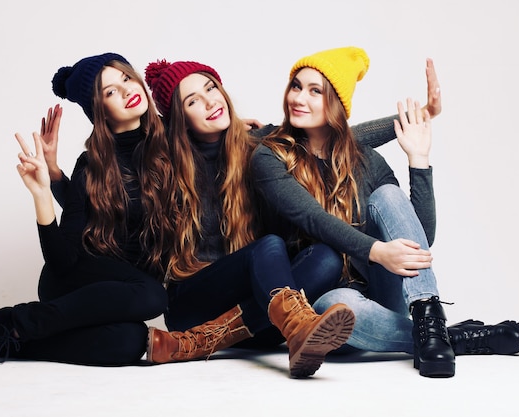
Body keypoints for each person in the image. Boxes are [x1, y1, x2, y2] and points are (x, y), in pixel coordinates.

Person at [135, 56, 440, 378]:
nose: (210, 101)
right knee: (270, 244)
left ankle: (278, 330)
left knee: (325, 258)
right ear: (177, 117)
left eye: (211, 88)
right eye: (192, 101)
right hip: (194, 304)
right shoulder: (166, 159)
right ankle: (200, 338)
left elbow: (337, 137)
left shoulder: (257, 144)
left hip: (264, 316)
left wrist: (420, 116)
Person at [250, 46, 519, 378]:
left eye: (315, 91)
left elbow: (419, 238)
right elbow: (312, 217)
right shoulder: (270, 157)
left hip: (383, 293)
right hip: (329, 308)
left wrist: (419, 161)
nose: (299, 97)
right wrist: (378, 251)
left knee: (388, 195)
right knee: (338, 307)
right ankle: (448, 337)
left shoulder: (366, 161)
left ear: (337, 104)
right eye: (296, 86)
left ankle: (428, 313)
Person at [0, 53, 169, 366]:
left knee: (129, 342)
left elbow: (208, 133)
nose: (126, 90)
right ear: (98, 110)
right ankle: (8, 323)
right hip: (72, 279)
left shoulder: (171, 146)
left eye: (126, 79)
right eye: (109, 92)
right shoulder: (91, 165)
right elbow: (63, 258)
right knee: (154, 296)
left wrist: (236, 129)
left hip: (124, 290)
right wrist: (41, 194)